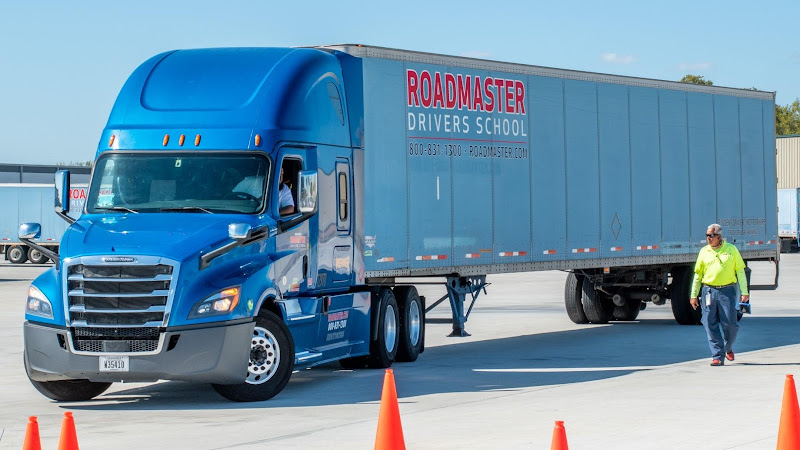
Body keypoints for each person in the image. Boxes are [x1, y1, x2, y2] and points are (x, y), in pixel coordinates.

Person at [689, 224, 750, 366]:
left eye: (711, 236)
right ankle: (717, 355)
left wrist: (745, 292)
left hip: (727, 291)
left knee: (730, 323)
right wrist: (693, 295)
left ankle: (728, 347)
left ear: (719, 237)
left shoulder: (731, 250)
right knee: (709, 322)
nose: (708, 238)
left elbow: (740, 272)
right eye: (706, 236)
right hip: (709, 291)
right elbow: (698, 275)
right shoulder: (704, 252)